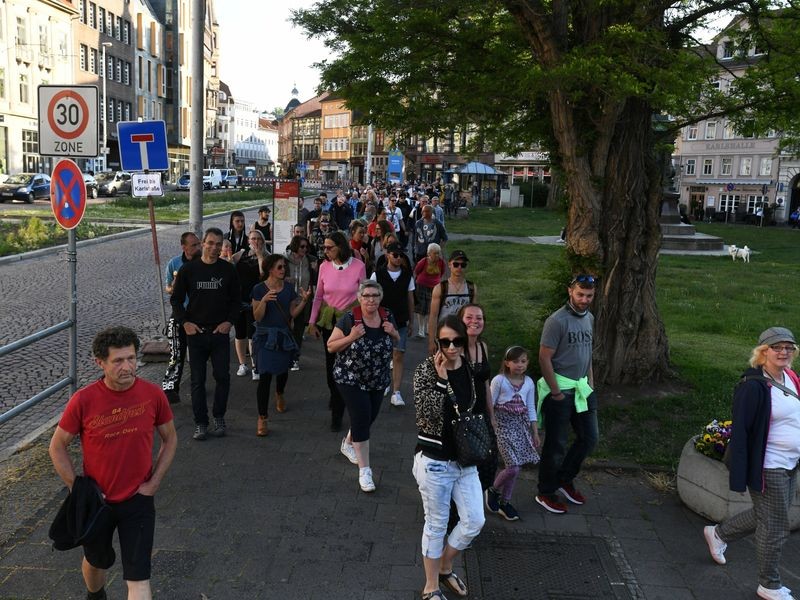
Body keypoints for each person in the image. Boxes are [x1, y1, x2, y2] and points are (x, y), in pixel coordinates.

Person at [49, 326, 177, 600]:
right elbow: (57, 446)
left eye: (131, 358)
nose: (127, 366)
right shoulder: (83, 400)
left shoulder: (153, 395)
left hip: (138, 501)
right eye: (118, 361)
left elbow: (170, 439)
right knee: (97, 562)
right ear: (100, 363)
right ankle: (96, 596)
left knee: (139, 579)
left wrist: (153, 483)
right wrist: (78, 489)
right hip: (98, 504)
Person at [702, 327, 800, 600]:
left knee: (767, 516)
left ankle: (719, 534)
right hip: (770, 465)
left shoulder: (790, 377)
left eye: (788, 347)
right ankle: (769, 585)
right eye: (776, 347)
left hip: (791, 461)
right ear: (763, 352)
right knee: (777, 526)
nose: (783, 352)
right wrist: (741, 474)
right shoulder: (753, 386)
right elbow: (742, 432)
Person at [412, 315, 485, 600]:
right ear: (437, 343)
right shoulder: (425, 371)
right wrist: (442, 382)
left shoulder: (469, 370)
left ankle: (444, 566)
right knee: (437, 524)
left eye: (457, 341)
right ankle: (430, 587)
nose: (452, 347)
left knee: (474, 521)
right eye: (445, 342)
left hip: (465, 461)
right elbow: (425, 416)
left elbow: (474, 409)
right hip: (435, 462)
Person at [327, 280, 399, 492]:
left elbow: (395, 342)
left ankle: (349, 442)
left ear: (380, 298)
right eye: (366, 295)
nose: (371, 300)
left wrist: (394, 333)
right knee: (360, 418)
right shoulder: (349, 319)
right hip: (350, 378)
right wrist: (351, 337)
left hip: (377, 378)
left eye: (375, 295)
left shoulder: (387, 316)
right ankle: (365, 471)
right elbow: (331, 346)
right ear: (359, 298)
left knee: (369, 417)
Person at [170, 227, 241, 441]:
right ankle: (200, 422)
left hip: (219, 332)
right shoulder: (188, 270)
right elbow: (175, 300)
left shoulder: (228, 270)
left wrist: (229, 322)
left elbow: (236, 301)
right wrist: (185, 323)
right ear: (203, 243)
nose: (214, 248)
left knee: (223, 377)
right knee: (197, 381)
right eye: (210, 243)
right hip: (196, 333)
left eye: (219, 244)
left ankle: (219, 416)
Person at [535, 274, 597, 514]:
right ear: (570, 291)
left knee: (589, 438)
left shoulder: (589, 318)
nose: (584, 300)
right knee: (556, 444)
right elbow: (544, 357)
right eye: (580, 294)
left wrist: (591, 381)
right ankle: (546, 490)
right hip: (561, 391)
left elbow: (588, 352)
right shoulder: (556, 321)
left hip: (583, 389)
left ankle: (564, 478)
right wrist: (557, 392)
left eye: (589, 295)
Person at [308, 231, 367, 431]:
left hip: (350, 323)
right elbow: (318, 296)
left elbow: (364, 297)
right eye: (324, 247)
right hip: (329, 322)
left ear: (340, 247)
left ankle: (339, 412)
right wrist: (312, 321)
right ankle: (336, 398)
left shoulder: (359, 267)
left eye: (328, 247)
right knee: (331, 366)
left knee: (348, 367)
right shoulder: (324, 267)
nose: (325, 251)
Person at [251, 254, 311, 435]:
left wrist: (305, 301)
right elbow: (257, 316)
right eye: (279, 267)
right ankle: (262, 418)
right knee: (265, 376)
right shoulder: (259, 289)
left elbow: (292, 313)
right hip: (264, 338)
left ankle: (280, 393)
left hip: (283, 336)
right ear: (270, 269)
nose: (283, 270)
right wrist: (264, 301)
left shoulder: (288, 289)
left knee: (282, 372)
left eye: (284, 267)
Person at [484, 346, 540, 522]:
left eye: (523, 361)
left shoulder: (529, 383)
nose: (520, 365)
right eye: (515, 361)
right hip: (502, 426)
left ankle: (505, 502)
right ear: (507, 363)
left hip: (520, 427)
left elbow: (531, 407)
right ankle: (492, 490)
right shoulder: (499, 381)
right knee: (513, 467)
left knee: (516, 469)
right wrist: (491, 423)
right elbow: (489, 404)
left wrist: (535, 432)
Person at [371, 241, 415, 407]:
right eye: (395, 255)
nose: (398, 258)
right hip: (381, 320)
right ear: (387, 255)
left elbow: (410, 299)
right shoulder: (377, 275)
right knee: (382, 353)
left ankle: (396, 391)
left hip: (401, 320)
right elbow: (371, 297)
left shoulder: (406, 276)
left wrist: (412, 321)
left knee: (398, 353)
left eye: (401, 255)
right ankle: (384, 382)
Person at [161, 231, 201, 404]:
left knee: (198, 354)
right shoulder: (174, 263)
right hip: (179, 314)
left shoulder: (203, 262)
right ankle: (170, 388)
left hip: (199, 314)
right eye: (193, 245)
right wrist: (174, 287)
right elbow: (168, 288)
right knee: (176, 352)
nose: (197, 247)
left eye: (198, 244)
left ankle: (197, 385)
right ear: (184, 247)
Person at [232, 230, 268, 380]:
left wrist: (260, 257)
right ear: (248, 241)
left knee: (253, 334)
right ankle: (242, 364)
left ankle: (255, 365)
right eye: (253, 238)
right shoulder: (241, 254)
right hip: (240, 300)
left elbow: (263, 276)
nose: (256, 241)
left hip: (256, 301)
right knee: (239, 333)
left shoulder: (267, 256)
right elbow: (227, 265)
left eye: (259, 239)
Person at [427, 250, 476, 355]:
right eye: (456, 264)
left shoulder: (471, 288)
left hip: (462, 336)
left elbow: (474, 316)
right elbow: (433, 316)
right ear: (449, 264)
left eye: (463, 265)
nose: (459, 268)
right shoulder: (441, 288)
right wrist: (431, 341)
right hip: (443, 336)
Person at [285, 235, 315, 371]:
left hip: (302, 301)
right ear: (295, 246)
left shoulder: (309, 260)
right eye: (302, 246)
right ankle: (284, 355)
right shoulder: (285, 260)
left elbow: (313, 278)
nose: (304, 249)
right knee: (286, 329)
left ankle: (295, 358)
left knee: (298, 330)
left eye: (306, 247)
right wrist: (285, 278)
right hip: (287, 300)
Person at [413, 243, 445, 339]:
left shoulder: (441, 262)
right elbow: (417, 270)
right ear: (429, 253)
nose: (437, 255)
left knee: (432, 309)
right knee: (421, 309)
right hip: (422, 286)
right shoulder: (424, 261)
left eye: (438, 253)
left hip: (435, 288)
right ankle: (421, 330)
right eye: (435, 253)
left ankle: (428, 328)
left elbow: (442, 272)